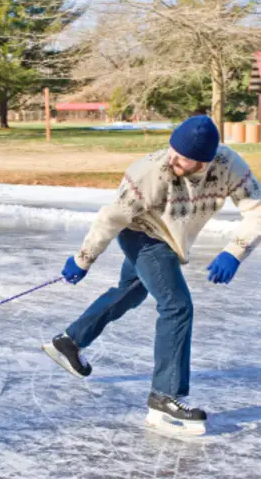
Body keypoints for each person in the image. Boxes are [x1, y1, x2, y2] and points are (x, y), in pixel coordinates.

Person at [42, 115, 261, 435]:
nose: (172, 158)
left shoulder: (228, 164)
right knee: (177, 306)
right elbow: (109, 219)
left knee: (131, 291)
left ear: (203, 162)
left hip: (170, 241)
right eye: (172, 149)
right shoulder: (148, 173)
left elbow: (257, 209)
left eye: (181, 157)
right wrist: (83, 259)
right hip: (140, 236)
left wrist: (234, 252)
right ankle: (164, 398)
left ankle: (70, 341)